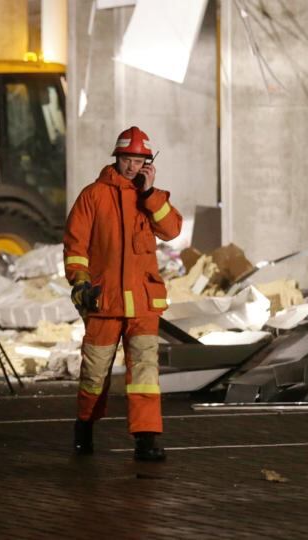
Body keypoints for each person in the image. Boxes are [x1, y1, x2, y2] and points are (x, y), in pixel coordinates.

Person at [63, 126, 183, 461]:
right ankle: (84, 427)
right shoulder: (93, 195)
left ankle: (146, 440)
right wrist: (80, 282)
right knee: (94, 374)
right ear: (117, 158)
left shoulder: (151, 198)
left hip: (143, 304)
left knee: (145, 375)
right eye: (127, 159)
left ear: (148, 163)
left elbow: (172, 230)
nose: (132, 166)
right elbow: (75, 246)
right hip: (104, 302)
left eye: (139, 160)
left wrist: (150, 194)